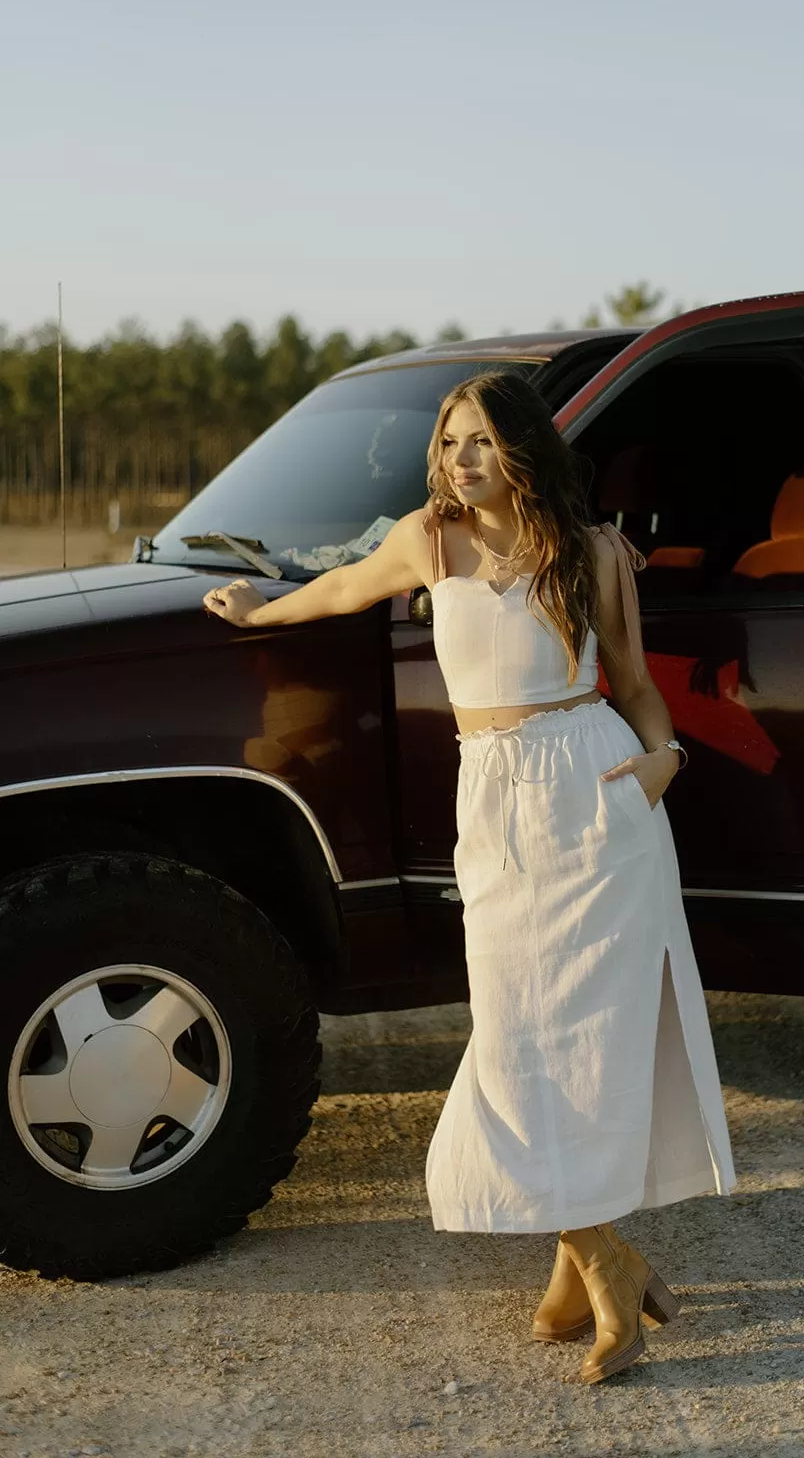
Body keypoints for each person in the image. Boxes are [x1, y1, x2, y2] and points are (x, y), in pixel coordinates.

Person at [203, 367, 736, 1385]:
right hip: (493, 797)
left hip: (596, 792)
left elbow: (633, 683)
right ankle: (604, 1257)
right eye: (450, 440)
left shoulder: (592, 552)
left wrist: (666, 763)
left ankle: (582, 1270)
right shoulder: (426, 538)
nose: (461, 458)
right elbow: (342, 586)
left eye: (482, 439)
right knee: (514, 1036)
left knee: (581, 1037)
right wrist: (259, 612)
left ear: (525, 448)